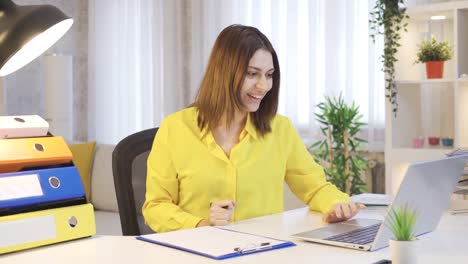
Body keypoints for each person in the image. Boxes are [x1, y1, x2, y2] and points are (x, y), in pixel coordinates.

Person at [142, 24, 363, 233]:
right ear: (224, 73)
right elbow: (156, 206)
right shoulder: (176, 128)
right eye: (252, 73)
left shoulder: (280, 129)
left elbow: (315, 188)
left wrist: (338, 204)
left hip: (263, 252)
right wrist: (200, 224)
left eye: (269, 75)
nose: (263, 86)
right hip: (198, 253)